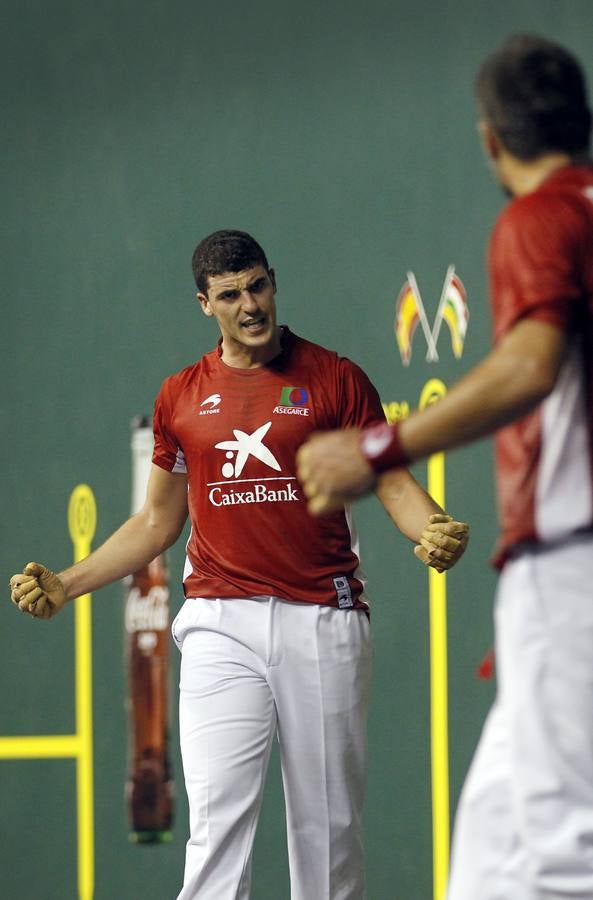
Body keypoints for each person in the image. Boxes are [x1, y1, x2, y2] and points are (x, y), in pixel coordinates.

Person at [9, 230, 468, 900]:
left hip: (323, 619)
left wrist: (429, 526)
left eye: (257, 286)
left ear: (273, 282)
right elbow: (156, 523)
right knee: (216, 824)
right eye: (230, 295)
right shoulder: (181, 397)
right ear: (205, 304)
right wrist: (69, 583)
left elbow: (390, 481)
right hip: (220, 626)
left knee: (329, 833)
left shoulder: (335, 378)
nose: (249, 305)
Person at [297, 34, 593, 900]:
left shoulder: (542, 218)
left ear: (490, 142)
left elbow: (528, 364)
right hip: (563, 583)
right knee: (491, 863)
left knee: (568, 857)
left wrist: (378, 445)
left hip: (570, 563)